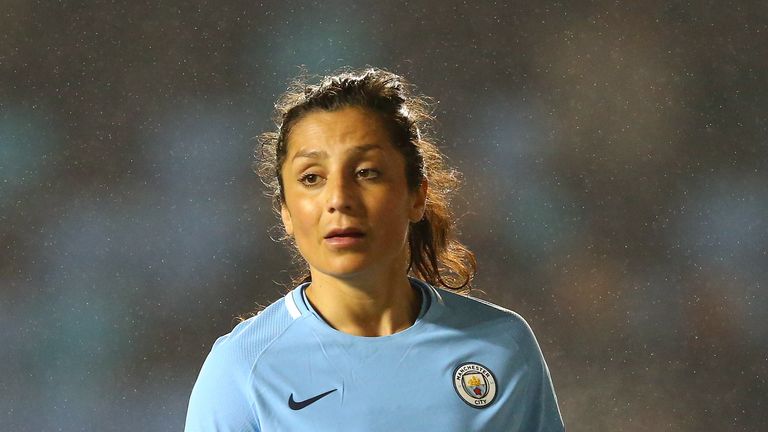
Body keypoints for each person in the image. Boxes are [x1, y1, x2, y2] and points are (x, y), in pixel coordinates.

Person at [184, 67, 565, 431]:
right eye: (312, 178)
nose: (339, 199)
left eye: (367, 172)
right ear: (285, 210)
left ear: (417, 195)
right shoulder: (242, 367)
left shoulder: (501, 343)